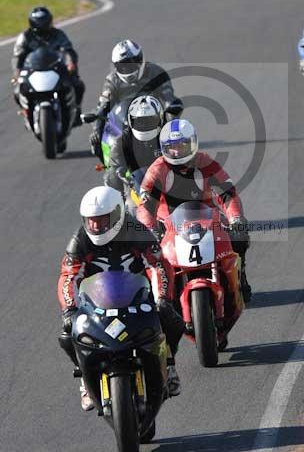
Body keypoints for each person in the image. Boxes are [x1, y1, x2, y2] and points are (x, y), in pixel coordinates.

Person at [57, 185, 185, 411]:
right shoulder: (80, 239)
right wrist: (70, 309)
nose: (96, 226)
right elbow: (69, 277)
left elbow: (158, 266)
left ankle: (169, 364)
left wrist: (162, 297)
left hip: (137, 297)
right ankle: (85, 381)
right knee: (68, 334)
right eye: (92, 220)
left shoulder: (136, 231)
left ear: (118, 214)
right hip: (96, 303)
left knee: (171, 319)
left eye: (103, 219)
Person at [136, 119, 252, 304]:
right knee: (146, 255)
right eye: (171, 146)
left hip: (207, 217)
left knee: (239, 236)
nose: (177, 151)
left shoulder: (205, 162)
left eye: (182, 145)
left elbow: (228, 195)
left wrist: (236, 219)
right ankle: (157, 296)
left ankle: (240, 276)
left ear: (192, 143)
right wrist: (150, 230)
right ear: (164, 148)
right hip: (169, 224)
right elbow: (145, 206)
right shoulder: (157, 170)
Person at [90, 40, 183, 161]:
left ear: (140, 60)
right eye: (122, 66)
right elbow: (103, 105)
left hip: (156, 120)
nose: (126, 69)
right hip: (124, 124)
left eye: (130, 64)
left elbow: (169, 96)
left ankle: (178, 163)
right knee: (96, 138)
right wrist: (96, 129)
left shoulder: (156, 72)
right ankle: (110, 168)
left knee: (179, 136)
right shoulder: (112, 80)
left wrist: (171, 107)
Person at [12, 7, 85, 121]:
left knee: (77, 84)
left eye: (45, 23)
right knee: (17, 90)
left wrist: (71, 64)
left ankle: (76, 110)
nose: (43, 27)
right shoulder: (25, 37)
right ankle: (26, 111)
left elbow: (68, 50)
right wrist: (17, 73)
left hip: (55, 68)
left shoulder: (58, 34)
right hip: (32, 70)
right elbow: (18, 56)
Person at [105, 95, 164, 198]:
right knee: (112, 176)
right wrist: (118, 196)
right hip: (135, 188)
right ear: (130, 120)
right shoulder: (122, 141)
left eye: (150, 120)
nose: (144, 125)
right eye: (139, 121)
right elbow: (115, 170)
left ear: (160, 118)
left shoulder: (168, 135)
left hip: (167, 185)